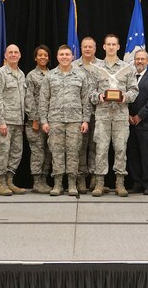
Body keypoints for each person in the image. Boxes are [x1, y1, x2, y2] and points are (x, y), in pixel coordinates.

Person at [89, 34, 138, 197]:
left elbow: (134, 90)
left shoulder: (127, 68)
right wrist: (99, 96)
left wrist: (126, 96)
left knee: (120, 149)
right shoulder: (96, 68)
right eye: (108, 44)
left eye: (113, 44)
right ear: (103, 47)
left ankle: (120, 183)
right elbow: (90, 92)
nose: (111, 47)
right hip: (102, 116)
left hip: (120, 116)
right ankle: (100, 183)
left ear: (118, 47)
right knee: (101, 149)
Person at [39, 45, 91, 196]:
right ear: (57, 57)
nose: (64, 57)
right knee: (56, 152)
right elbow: (44, 100)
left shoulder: (81, 75)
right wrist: (44, 121)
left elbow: (86, 100)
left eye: (67, 54)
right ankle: (57, 184)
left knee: (74, 152)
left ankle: (72, 184)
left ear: (72, 56)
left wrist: (85, 120)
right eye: (61, 54)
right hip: (55, 121)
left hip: (75, 121)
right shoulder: (50, 76)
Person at [0, 44, 27, 196]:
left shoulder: (21, 74)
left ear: (20, 55)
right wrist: (0, 121)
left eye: (16, 52)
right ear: (5, 55)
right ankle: (1, 183)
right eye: (10, 52)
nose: (13, 55)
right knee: (3, 152)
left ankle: (10, 181)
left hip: (18, 121)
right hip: (4, 122)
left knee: (16, 152)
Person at [127, 49, 148, 195]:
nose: (139, 61)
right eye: (137, 59)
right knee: (132, 154)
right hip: (130, 123)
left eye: (142, 59)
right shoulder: (129, 77)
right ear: (134, 61)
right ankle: (137, 182)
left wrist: (139, 116)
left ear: (147, 61)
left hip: (146, 124)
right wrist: (128, 114)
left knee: (147, 155)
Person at [73, 37, 101, 193]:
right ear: (81, 48)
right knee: (80, 147)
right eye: (85, 47)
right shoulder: (73, 66)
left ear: (95, 48)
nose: (88, 49)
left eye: (91, 46)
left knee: (97, 147)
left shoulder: (102, 66)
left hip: (99, 114)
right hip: (79, 114)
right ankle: (81, 178)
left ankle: (96, 178)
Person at [24, 45, 53, 194]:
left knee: (49, 152)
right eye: (40, 55)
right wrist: (35, 119)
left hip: (51, 121)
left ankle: (44, 180)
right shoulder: (31, 76)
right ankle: (36, 182)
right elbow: (28, 99)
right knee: (38, 152)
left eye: (45, 55)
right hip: (35, 122)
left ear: (48, 58)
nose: (43, 57)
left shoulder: (53, 74)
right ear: (35, 58)